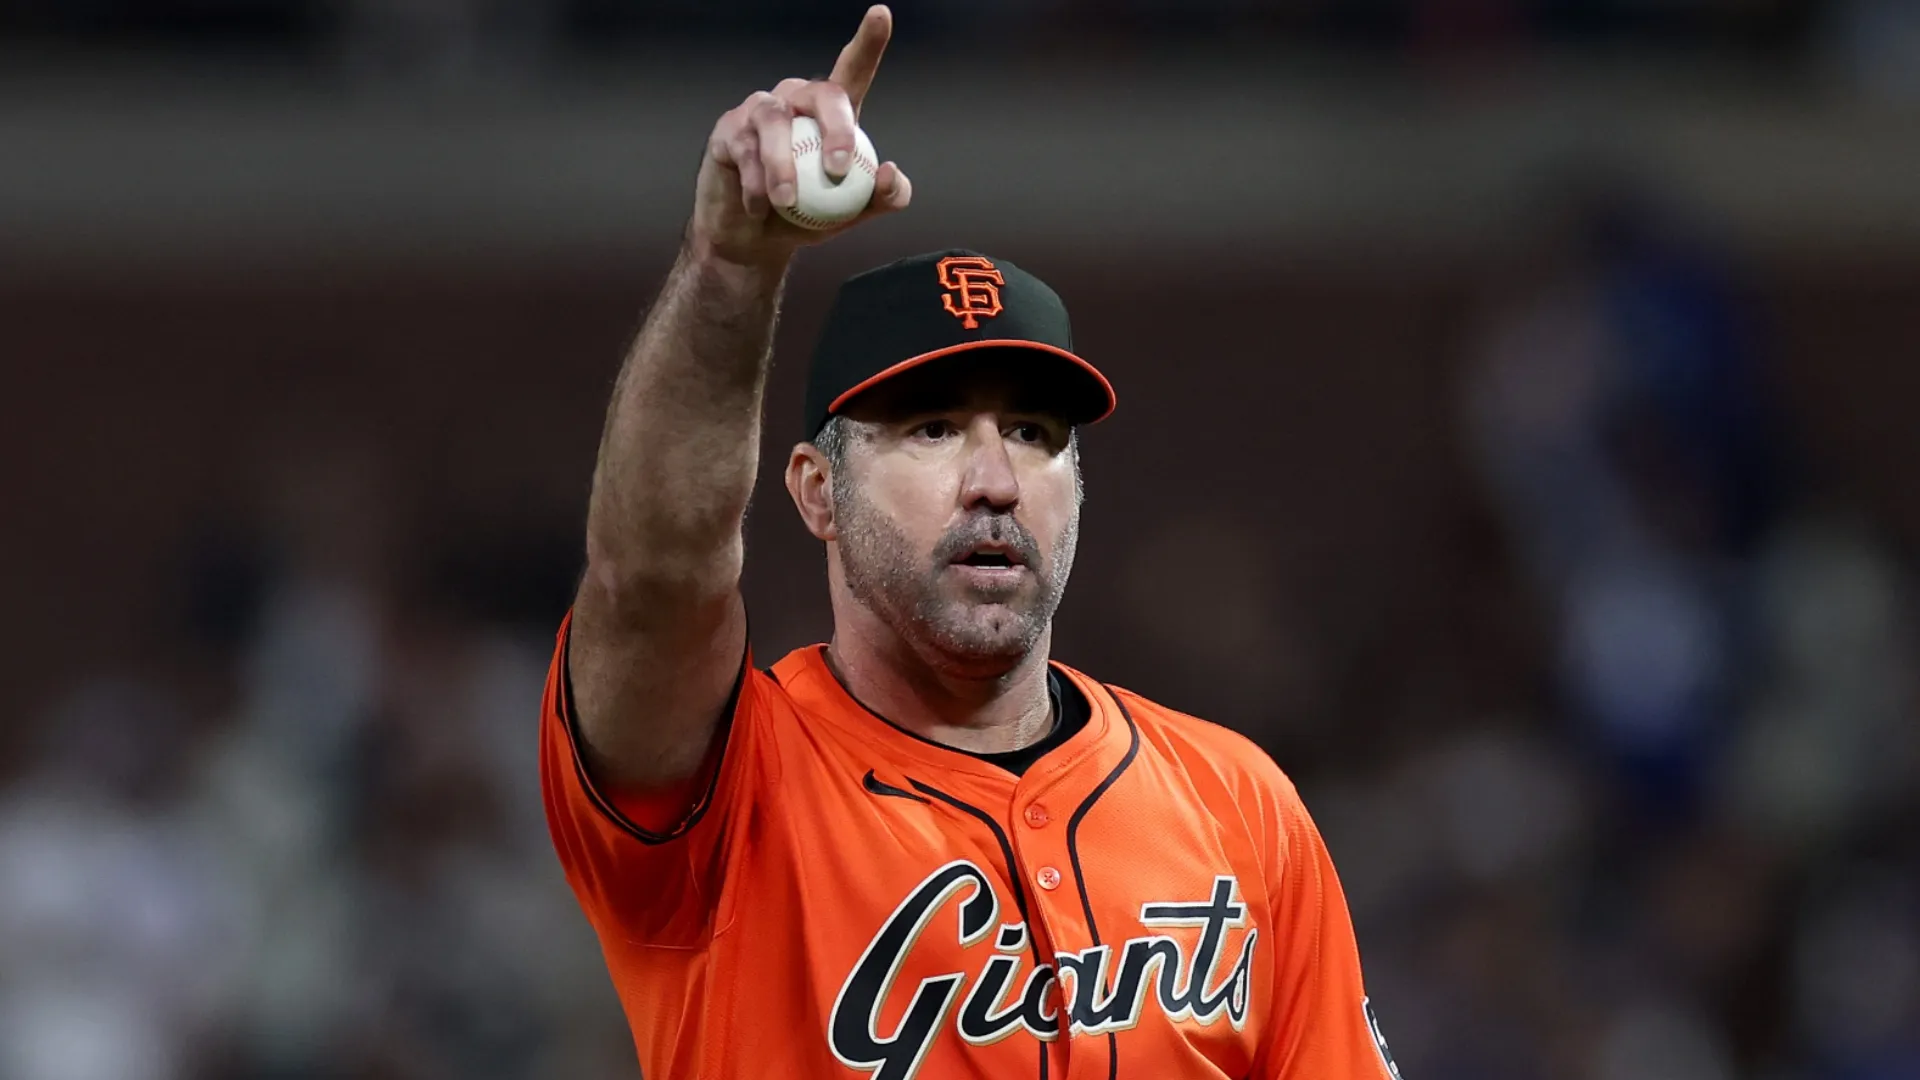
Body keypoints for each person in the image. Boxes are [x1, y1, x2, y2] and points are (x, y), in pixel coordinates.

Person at [538, 7, 1402, 1077]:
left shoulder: (1239, 806)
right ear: (816, 490)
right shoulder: (728, 786)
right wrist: (729, 270)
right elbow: (652, 575)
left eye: (1034, 435)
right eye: (933, 428)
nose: (993, 481)